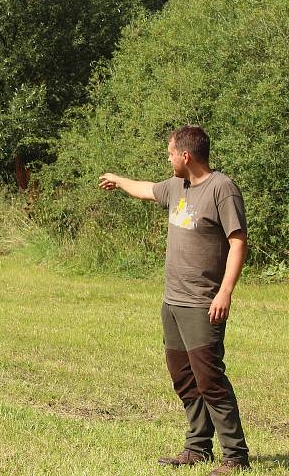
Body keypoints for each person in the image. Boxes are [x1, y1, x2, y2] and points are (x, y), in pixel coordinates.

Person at [99, 125, 250, 475]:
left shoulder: (221, 189)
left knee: (209, 377)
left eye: (170, 152)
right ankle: (198, 448)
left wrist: (225, 291)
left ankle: (235, 456)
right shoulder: (176, 187)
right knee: (183, 377)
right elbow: (146, 190)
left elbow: (238, 242)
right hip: (173, 302)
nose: (167, 158)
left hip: (202, 302)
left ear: (186, 155)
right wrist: (119, 180)